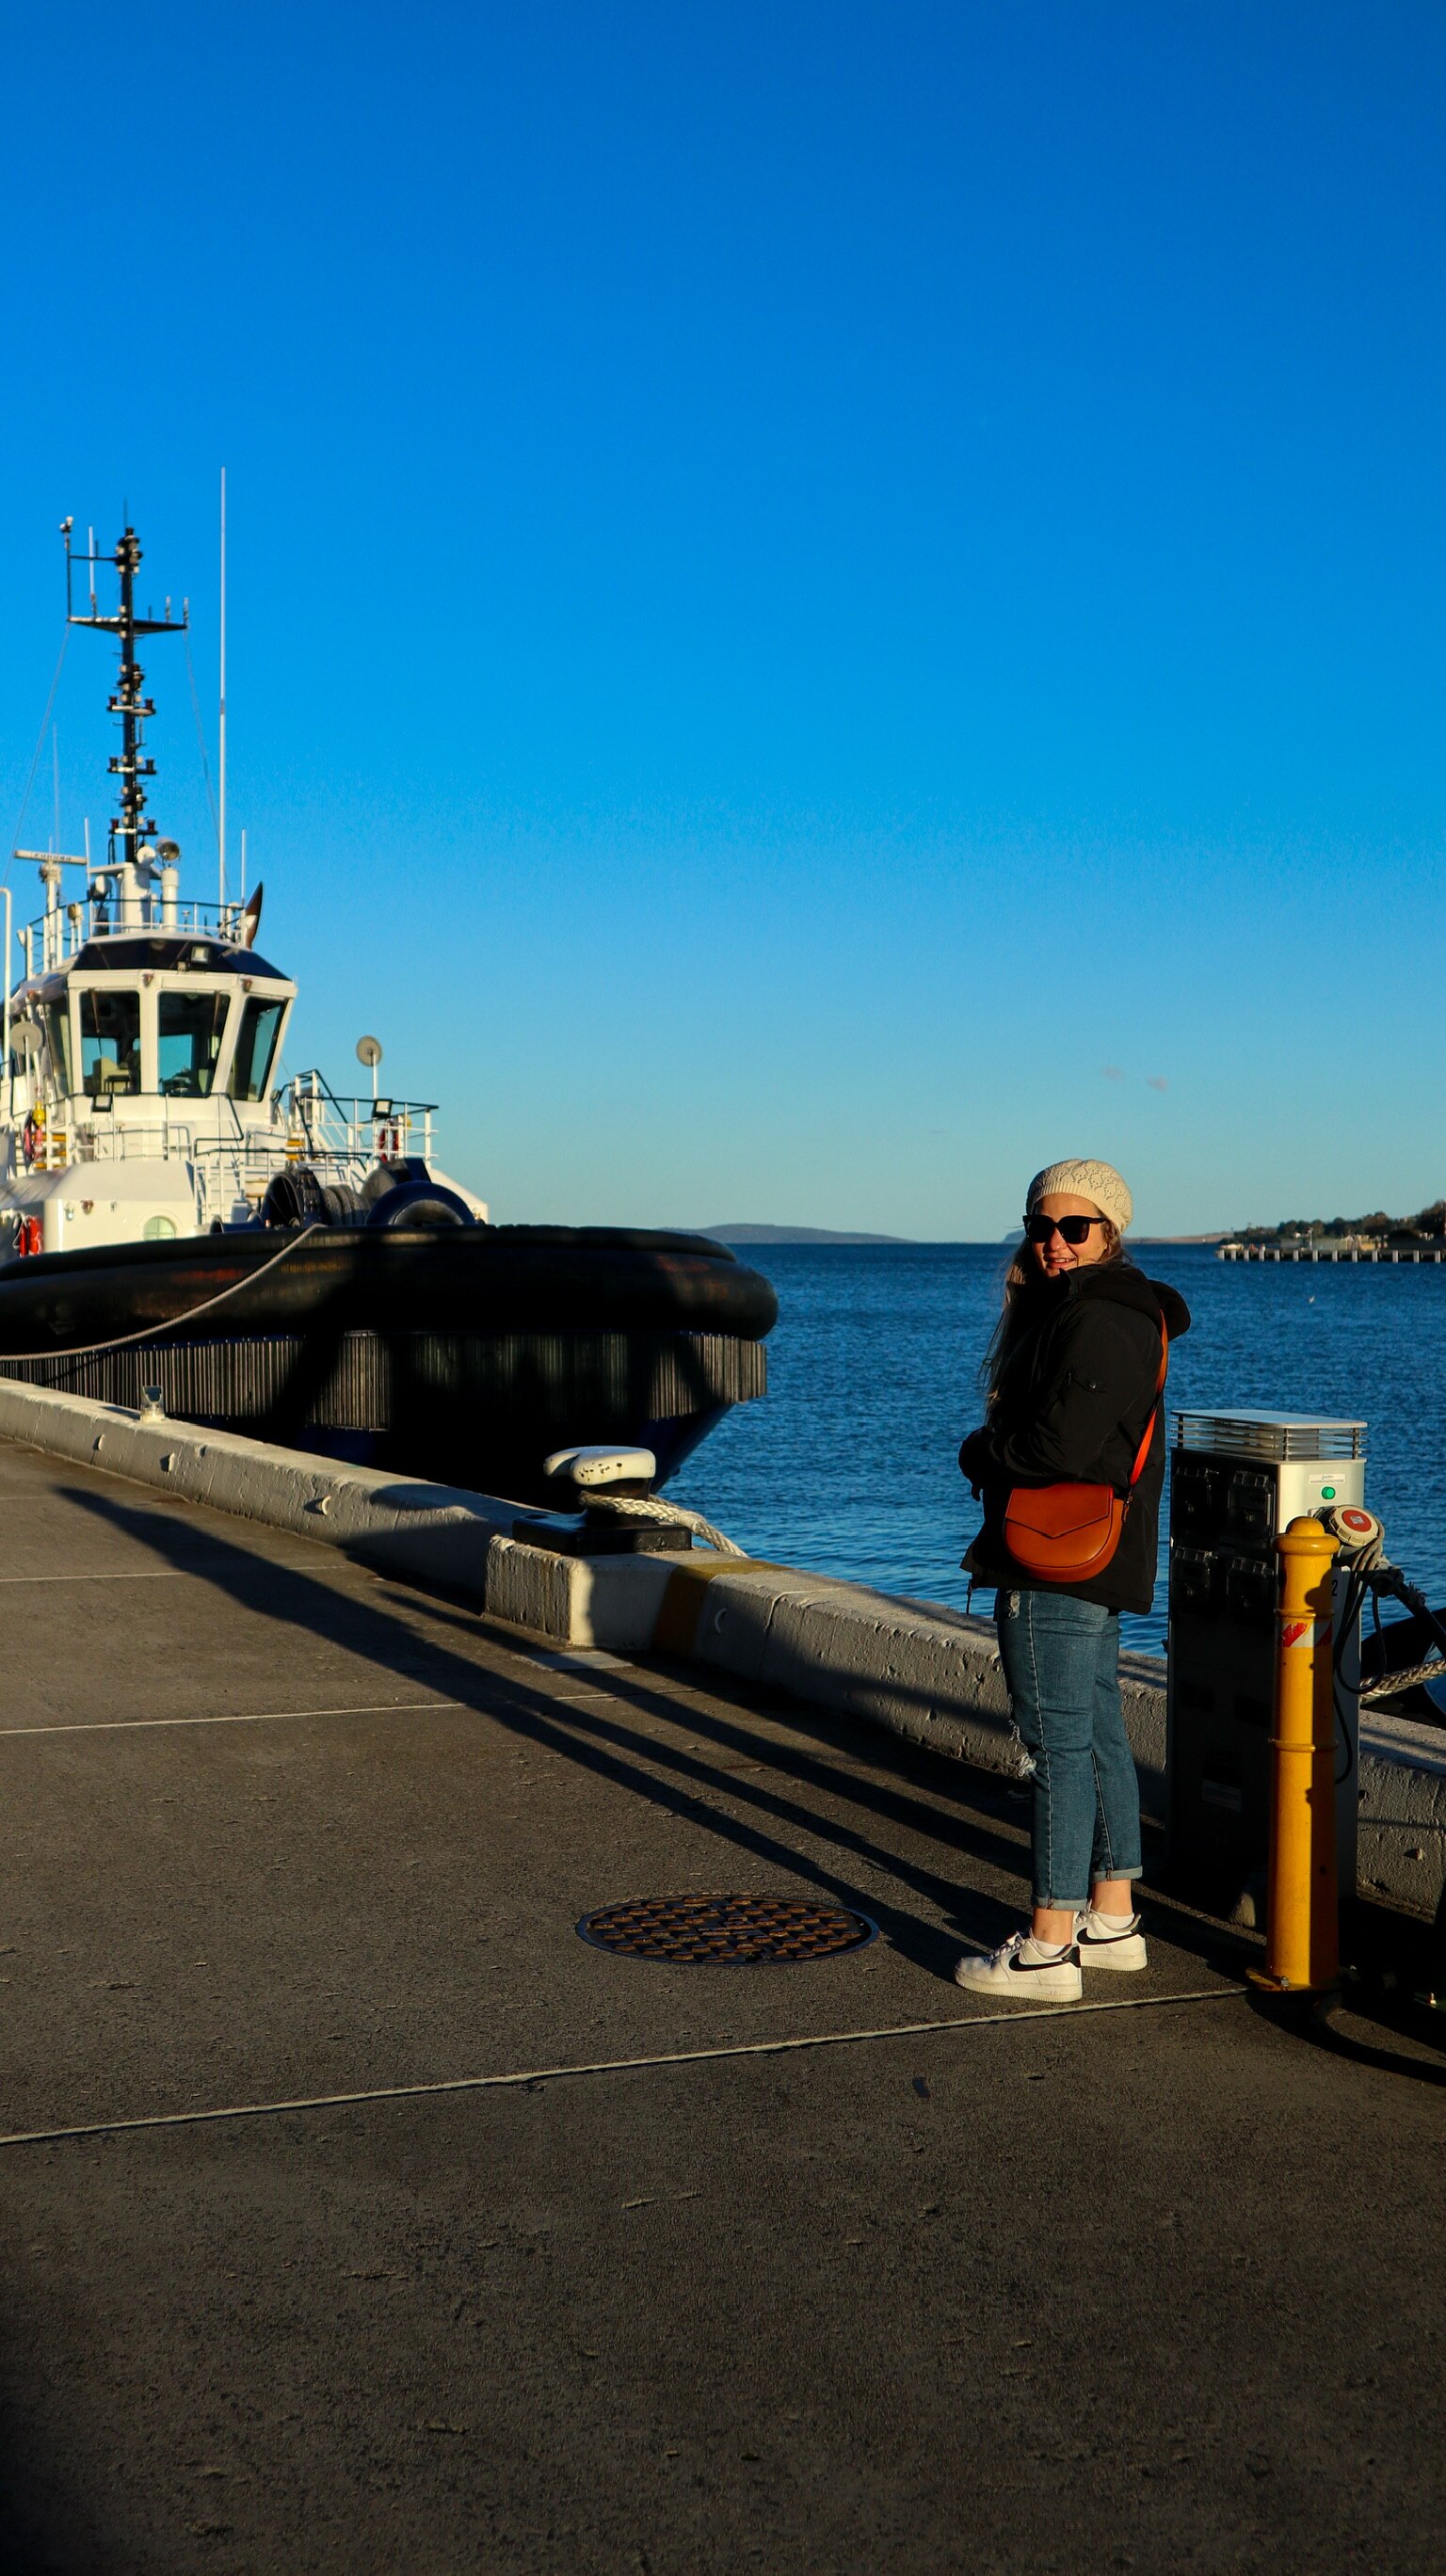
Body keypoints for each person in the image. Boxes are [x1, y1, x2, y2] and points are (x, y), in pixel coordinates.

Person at [955, 1158, 1191, 2002]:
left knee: (1053, 1744)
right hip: (1094, 1556)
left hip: (1056, 1557)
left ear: (1110, 1232)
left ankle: (1048, 1948)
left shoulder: (1098, 1319)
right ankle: (1114, 1916)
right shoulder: (1115, 1312)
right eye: (1040, 1226)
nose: (1053, 1243)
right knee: (1092, 1733)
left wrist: (981, 1452)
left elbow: (1058, 1446)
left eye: (1074, 1227)